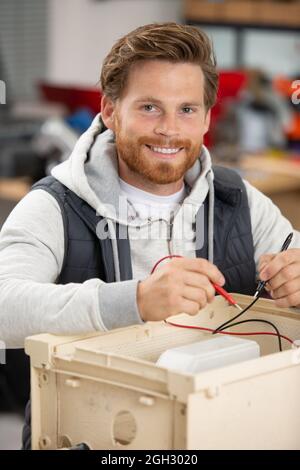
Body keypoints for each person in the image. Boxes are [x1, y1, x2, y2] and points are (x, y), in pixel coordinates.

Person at [0, 22, 299, 449]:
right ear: (109, 110)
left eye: (187, 110)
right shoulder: (54, 205)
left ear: (207, 117)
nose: (170, 130)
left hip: (226, 430)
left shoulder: (239, 199)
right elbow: (3, 307)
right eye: (150, 108)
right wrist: (135, 300)